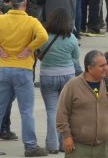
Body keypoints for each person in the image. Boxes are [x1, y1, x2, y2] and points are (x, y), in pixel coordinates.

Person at [0, 0, 50, 157]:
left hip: (4, 67)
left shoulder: (0, 20)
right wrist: (29, 48)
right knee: (26, 111)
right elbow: (43, 37)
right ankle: (30, 146)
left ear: (10, 3)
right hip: (23, 69)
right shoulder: (32, 22)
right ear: (25, 3)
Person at [55, 50, 108, 158]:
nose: (105, 68)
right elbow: (62, 113)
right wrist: (66, 136)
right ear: (90, 68)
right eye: (102, 66)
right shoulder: (72, 86)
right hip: (78, 147)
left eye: (106, 65)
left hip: (103, 148)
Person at [39, 8, 83, 155]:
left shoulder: (44, 36)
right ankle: (64, 143)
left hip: (48, 75)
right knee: (66, 111)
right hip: (67, 76)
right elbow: (76, 56)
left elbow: (37, 50)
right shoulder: (71, 38)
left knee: (52, 110)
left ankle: (52, 144)